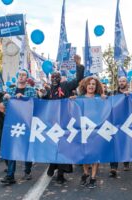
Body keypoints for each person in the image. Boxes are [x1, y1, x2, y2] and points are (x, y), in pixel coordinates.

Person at [44, 54, 84, 185]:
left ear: (60, 79)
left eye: (57, 77)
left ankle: (60, 174)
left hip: (65, 122)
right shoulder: (49, 90)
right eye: (52, 77)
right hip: (52, 123)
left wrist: (78, 65)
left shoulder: (66, 86)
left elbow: (78, 79)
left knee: (64, 147)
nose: (54, 79)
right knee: (53, 146)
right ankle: (52, 166)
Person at [2, 69, 37, 185]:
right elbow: (6, 106)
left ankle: (27, 170)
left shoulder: (31, 90)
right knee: (13, 148)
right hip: (13, 123)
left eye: (24, 75)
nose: (21, 77)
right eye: (20, 75)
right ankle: (10, 175)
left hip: (27, 123)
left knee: (26, 147)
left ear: (27, 78)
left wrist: (23, 97)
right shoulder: (11, 90)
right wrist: (6, 97)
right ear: (17, 77)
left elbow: (35, 103)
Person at [73, 76, 106, 189]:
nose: (91, 86)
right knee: (84, 153)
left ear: (96, 86)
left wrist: (105, 100)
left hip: (96, 130)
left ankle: (93, 177)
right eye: (89, 84)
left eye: (93, 84)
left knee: (95, 154)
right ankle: (86, 173)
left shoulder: (100, 98)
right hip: (83, 130)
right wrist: (72, 100)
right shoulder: (80, 98)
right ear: (85, 85)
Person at [109, 76, 130, 178]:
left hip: (128, 122)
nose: (121, 83)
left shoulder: (131, 93)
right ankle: (113, 167)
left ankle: (126, 162)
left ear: (127, 82)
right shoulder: (113, 93)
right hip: (115, 121)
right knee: (114, 144)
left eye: (123, 81)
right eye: (120, 81)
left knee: (126, 142)